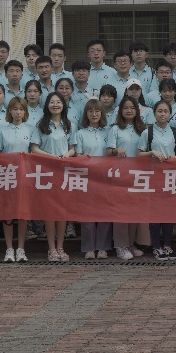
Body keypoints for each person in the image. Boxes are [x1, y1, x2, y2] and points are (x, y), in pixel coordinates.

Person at [31, 93, 75, 261]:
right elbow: (34, 148)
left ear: (63, 105)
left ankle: (61, 247)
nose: (55, 105)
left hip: (64, 172)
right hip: (46, 171)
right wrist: (50, 157)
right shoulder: (40, 125)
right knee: (49, 211)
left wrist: (66, 155)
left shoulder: (69, 125)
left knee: (62, 211)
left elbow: (73, 148)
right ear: (47, 105)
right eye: (52, 102)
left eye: (58, 102)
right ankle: (51, 248)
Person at [0, 96, 34, 262]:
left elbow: (34, 152)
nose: (18, 112)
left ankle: (21, 248)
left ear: (25, 112)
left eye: (21, 109)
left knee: (22, 213)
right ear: (9, 111)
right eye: (15, 109)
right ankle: (9, 248)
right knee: (8, 213)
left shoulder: (30, 130)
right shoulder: (2, 130)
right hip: (7, 176)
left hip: (25, 176)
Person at [107, 96, 150, 260]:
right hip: (120, 175)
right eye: (125, 108)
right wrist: (116, 150)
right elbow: (108, 152)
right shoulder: (115, 129)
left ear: (137, 110)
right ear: (120, 110)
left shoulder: (143, 129)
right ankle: (120, 246)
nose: (129, 110)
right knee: (121, 211)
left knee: (134, 211)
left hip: (138, 175)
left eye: (132, 108)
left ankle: (130, 243)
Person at [138, 100, 176, 260]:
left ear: (170, 114)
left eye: (166, 111)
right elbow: (139, 154)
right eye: (160, 111)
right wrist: (152, 152)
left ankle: (167, 245)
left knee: (168, 212)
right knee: (155, 212)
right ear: (154, 113)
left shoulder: (174, 131)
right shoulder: (147, 132)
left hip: (170, 177)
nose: (163, 114)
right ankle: (156, 246)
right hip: (153, 177)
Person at [73, 98, 113, 260]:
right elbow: (77, 154)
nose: (94, 114)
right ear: (86, 114)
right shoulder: (80, 133)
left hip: (105, 178)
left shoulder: (108, 132)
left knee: (104, 214)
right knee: (87, 214)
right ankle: (89, 247)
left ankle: (103, 247)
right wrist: (83, 156)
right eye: (90, 111)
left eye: (97, 111)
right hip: (87, 178)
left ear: (102, 113)